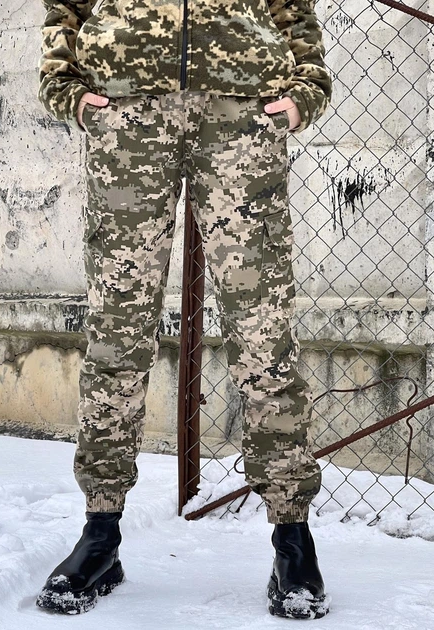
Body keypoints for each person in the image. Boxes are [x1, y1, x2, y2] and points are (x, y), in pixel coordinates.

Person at [35, 0, 333, 620]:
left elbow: (294, 8)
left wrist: (306, 86)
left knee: (263, 332)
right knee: (117, 330)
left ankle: (293, 537)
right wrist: (66, 86)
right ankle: (100, 532)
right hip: (127, 109)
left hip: (241, 111)